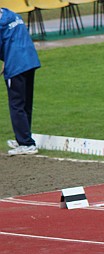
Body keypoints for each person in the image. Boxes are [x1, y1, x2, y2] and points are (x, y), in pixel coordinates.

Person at [0, 7, 41, 156]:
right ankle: (24, 138)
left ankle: (25, 142)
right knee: (25, 103)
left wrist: (7, 59)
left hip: (16, 65)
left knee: (16, 105)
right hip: (29, 60)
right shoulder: (11, 15)